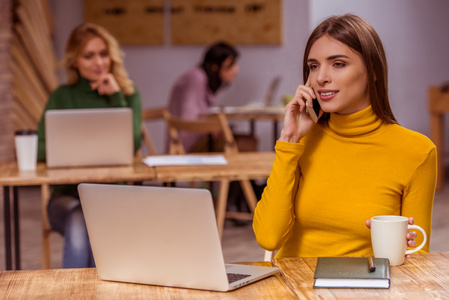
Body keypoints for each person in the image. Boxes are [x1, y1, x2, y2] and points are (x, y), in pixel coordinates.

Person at [253, 14, 437, 258]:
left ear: (373, 71)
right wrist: (289, 139)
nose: (320, 78)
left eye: (338, 64)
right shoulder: (301, 141)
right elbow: (268, 237)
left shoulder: (417, 151)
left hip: (363, 291)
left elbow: (418, 256)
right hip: (291, 290)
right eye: (313, 66)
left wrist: (404, 250)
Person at [37, 23, 142, 268]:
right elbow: (39, 147)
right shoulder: (61, 96)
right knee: (81, 216)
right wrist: (69, 152)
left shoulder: (128, 94)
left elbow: (132, 144)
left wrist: (116, 98)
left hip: (115, 196)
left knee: (91, 218)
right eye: (89, 56)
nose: (99, 62)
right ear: (74, 61)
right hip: (66, 197)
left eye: (103, 54)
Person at [167, 42, 239, 152]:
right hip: (185, 147)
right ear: (215, 66)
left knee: (245, 140)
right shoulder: (195, 78)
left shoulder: (202, 79)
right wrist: (216, 127)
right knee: (245, 143)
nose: (236, 70)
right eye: (230, 65)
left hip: (197, 141)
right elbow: (188, 123)